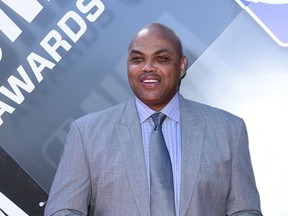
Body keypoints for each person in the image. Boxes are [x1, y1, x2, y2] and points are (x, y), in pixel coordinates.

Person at [44, 23, 262, 216]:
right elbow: (63, 210)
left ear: (182, 65)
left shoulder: (228, 130)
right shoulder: (87, 133)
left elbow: (245, 210)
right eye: (137, 59)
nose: (147, 67)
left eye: (161, 58)